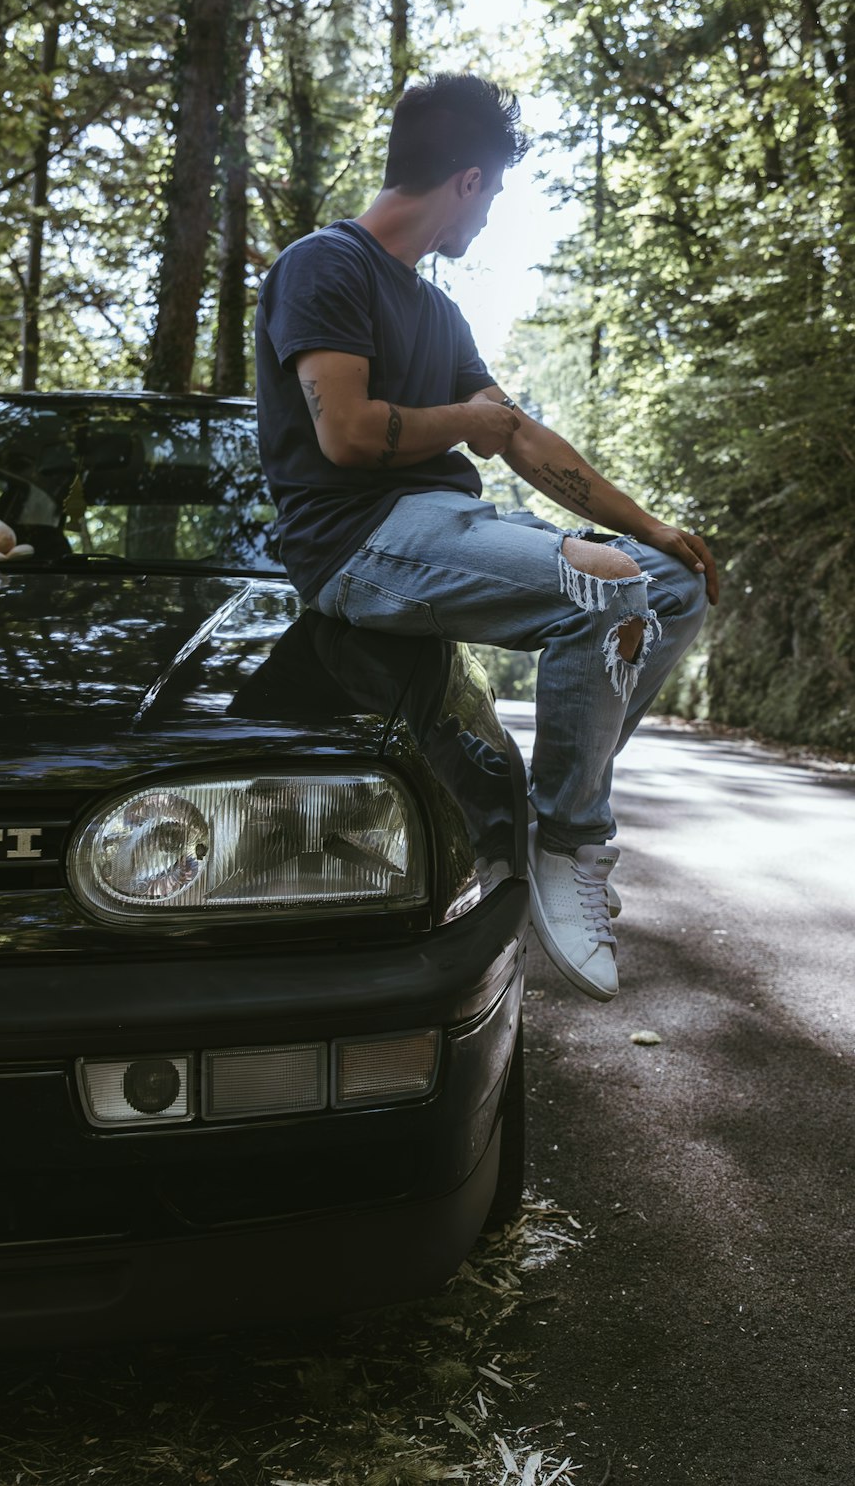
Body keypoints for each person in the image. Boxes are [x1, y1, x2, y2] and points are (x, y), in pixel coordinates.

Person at [255, 72, 718, 1002]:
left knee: (668, 584)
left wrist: (652, 527)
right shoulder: (325, 265)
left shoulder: (441, 312)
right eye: (496, 193)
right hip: (356, 539)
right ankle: (566, 841)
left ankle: (534, 817)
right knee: (603, 588)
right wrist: (469, 421)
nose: (489, 217)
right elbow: (344, 434)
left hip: (449, 525)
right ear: (468, 180)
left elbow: (520, 436)